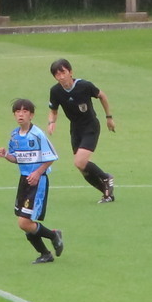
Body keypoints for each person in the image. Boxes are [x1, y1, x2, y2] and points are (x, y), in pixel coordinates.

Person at [0, 97, 65, 263]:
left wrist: (37, 173)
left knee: (24, 222)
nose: (21, 114)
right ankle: (45, 253)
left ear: (31, 115)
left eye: (25, 111)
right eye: (18, 111)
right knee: (25, 221)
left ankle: (53, 236)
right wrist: (6, 155)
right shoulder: (14, 135)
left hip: (38, 181)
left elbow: (52, 157)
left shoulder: (37, 134)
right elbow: (16, 158)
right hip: (24, 181)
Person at [47, 58, 116, 202]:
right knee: (82, 168)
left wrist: (109, 117)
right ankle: (106, 193)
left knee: (79, 162)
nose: (61, 77)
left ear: (70, 72)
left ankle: (106, 177)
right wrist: (52, 122)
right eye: (57, 74)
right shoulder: (55, 91)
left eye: (63, 72)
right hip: (75, 129)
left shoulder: (84, 86)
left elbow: (102, 96)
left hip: (90, 126)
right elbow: (53, 110)